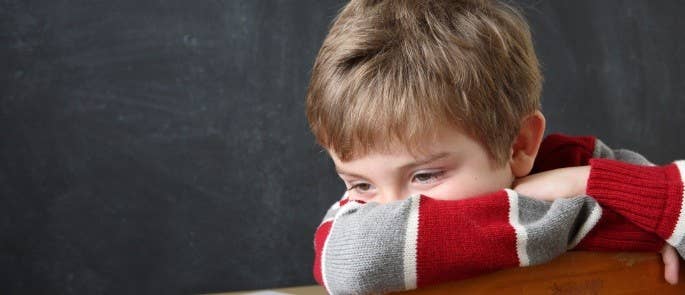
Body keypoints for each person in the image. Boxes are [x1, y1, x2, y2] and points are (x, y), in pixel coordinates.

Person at [304, 0, 685, 294]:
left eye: (424, 175)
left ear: (519, 145)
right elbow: (353, 261)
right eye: (360, 184)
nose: (391, 209)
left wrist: (583, 180)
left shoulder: (573, 163)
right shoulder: (354, 225)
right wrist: (608, 219)